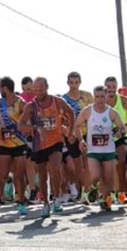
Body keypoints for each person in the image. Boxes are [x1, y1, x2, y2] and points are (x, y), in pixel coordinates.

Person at [19, 77, 75, 218]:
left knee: (55, 169)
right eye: (36, 90)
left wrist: (70, 130)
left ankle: (56, 198)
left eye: (41, 89)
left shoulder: (57, 101)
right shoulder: (30, 106)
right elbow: (21, 125)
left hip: (56, 141)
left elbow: (71, 112)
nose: (39, 92)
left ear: (47, 87)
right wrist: (36, 127)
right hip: (39, 144)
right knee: (42, 176)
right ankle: (45, 203)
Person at [75, 85, 126, 211]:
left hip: (108, 150)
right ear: (94, 97)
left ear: (106, 97)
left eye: (102, 96)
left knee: (108, 178)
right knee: (96, 176)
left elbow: (122, 127)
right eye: (97, 97)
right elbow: (77, 125)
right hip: (93, 150)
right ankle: (93, 189)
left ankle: (104, 199)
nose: (99, 100)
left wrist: (119, 133)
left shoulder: (111, 112)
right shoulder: (88, 111)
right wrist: (81, 140)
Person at [0, 76, 29, 215]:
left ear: (5, 88)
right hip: (5, 143)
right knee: (2, 174)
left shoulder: (21, 103)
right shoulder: (0, 103)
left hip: (19, 143)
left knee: (19, 176)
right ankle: (9, 183)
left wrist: (23, 128)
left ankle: (21, 201)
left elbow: (28, 119)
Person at [62, 71, 93, 204]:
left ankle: (87, 191)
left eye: (76, 82)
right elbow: (61, 120)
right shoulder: (64, 99)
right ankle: (83, 189)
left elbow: (95, 112)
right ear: (67, 83)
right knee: (77, 167)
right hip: (72, 135)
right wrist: (68, 133)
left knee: (88, 163)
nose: (74, 85)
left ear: (80, 82)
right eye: (71, 82)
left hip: (87, 133)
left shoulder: (87, 96)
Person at [105, 77, 127, 204]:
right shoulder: (101, 101)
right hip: (106, 135)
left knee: (121, 162)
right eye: (108, 87)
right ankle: (109, 194)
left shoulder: (122, 100)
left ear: (116, 87)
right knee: (108, 165)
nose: (111, 89)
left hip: (121, 134)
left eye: (113, 87)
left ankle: (123, 193)